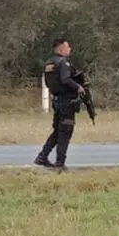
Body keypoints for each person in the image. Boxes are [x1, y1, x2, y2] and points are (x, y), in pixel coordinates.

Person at [34, 38, 84, 169]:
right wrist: (78, 87)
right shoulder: (63, 63)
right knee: (66, 131)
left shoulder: (49, 63)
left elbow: (47, 82)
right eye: (67, 47)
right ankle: (60, 163)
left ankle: (42, 156)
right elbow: (66, 79)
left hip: (56, 100)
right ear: (61, 49)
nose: (70, 49)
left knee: (58, 131)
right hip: (67, 102)